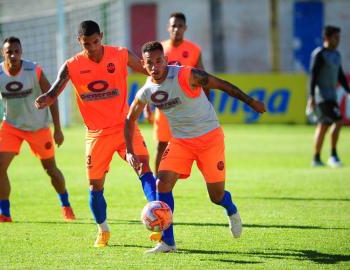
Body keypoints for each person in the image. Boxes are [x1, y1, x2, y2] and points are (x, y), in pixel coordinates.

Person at [125, 41, 266, 253]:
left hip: (210, 139)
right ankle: (168, 243)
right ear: (143, 66)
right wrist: (129, 150)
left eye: (158, 60)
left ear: (165, 60)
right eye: (149, 63)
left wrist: (251, 102)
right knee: (161, 184)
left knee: (216, 196)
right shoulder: (147, 91)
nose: (155, 66)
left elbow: (222, 85)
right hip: (181, 142)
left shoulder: (187, 75)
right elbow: (129, 120)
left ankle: (231, 209)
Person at [35, 21, 156, 248]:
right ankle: (103, 230)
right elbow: (54, 90)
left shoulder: (120, 54)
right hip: (96, 135)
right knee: (95, 187)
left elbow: (148, 68)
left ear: (102, 36)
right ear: (79, 42)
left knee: (144, 168)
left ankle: (157, 221)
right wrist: (46, 98)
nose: (92, 47)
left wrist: (167, 74)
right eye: (87, 43)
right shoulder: (72, 65)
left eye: (95, 41)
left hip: (124, 128)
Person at [0, 36, 76, 223]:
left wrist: (57, 128)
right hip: (11, 126)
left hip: (38, 127)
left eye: (17, 51)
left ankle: (65, 204)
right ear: (3, 53)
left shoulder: (34, 70)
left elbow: (52, 96)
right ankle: (4, 213)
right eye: (9, 51)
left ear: (21, 52)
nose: (13, 55)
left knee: (50, 169)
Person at [149, 12, 208, 175]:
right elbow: (151, 79)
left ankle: (210, 178)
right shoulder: (160, 49)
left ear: (185, 28)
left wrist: (206, 105)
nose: (177, 29)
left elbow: (204, 78)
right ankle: (157, 185)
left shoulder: (194, 50)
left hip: (188, 107)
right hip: (165, 105)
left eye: (180, 26)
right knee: (161, 145)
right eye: (173, 26)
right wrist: (148, 107)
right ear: (168, 28)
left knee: (196, 145)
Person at [308, 25, 350, 168]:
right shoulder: (320, 54)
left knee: (324, 125)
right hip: (322, 97)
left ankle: (316, 158)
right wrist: (312, 96)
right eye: (335, 37)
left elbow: (340, 75)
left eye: (339, 37)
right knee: (337, 122)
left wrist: (348, 90)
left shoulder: (336, 55)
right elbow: (313, 76)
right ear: (327, 38)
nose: (338, 40)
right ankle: (333, 156)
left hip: (331, 96)